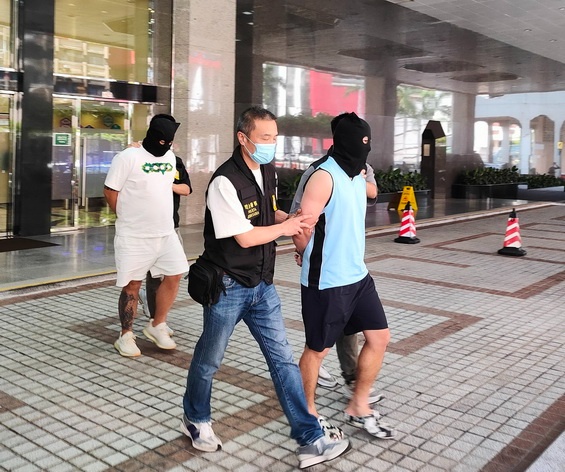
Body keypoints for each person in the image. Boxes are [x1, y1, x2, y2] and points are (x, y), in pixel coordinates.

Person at [181, 106, 350, 469]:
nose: (271, 144)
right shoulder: (224, 182)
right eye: (264, 138)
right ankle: (195, 417)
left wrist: (289, 218)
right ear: (243, 138)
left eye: (274, 137)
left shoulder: (268, 170)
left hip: (262, 286)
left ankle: (310, 439)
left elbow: (265, 213)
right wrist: (286, 230)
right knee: (209, 360)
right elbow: (244, 236)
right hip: (227, 286)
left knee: (283, 361)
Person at [293, 112, 395, 439]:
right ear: (344, 143)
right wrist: (308, 254)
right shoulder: (323, 176)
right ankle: (307, 416)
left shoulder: (357, 175)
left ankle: (358, 405)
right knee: (317, 350)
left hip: (358, 276)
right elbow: (301, 226)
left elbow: (371, 193)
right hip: (327, 279)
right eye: (361, 143)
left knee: (379, 338)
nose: (365, 150)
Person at [104, 114, 189, 357]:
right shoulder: (128, 157)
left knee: (175, 274)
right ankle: (125, 335)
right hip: (134, 235)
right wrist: (125, 215)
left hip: (165, 232)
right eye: (162, 142)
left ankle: (157, 324)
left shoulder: (170, 157)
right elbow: (110, 190)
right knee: (133, 284)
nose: (165, 146)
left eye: (169, 143)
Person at [138, 117, 192, 333]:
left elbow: (186, 189)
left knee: (174, 273)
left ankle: (158, 318)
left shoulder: (175, 161)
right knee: (154, 276)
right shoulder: (138, 158)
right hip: (145, 227)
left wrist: (167, 184)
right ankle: (156, 320)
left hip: (171, 226)